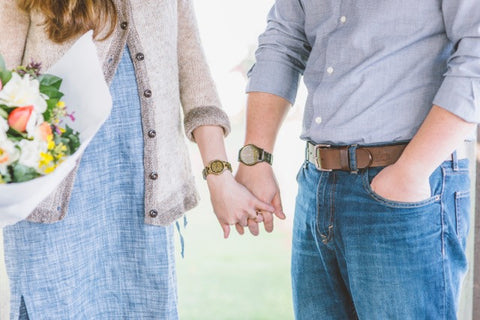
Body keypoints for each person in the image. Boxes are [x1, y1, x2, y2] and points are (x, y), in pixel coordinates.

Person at [0, 0, 272, 318]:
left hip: (143, 201)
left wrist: (220, 175)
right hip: (51, 204)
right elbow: (6, 77)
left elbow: (195, 75)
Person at [236, 0, 480, 319]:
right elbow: (282, 40)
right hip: (318, 184)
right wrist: (257, 155)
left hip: (407, 190)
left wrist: (411, 171)